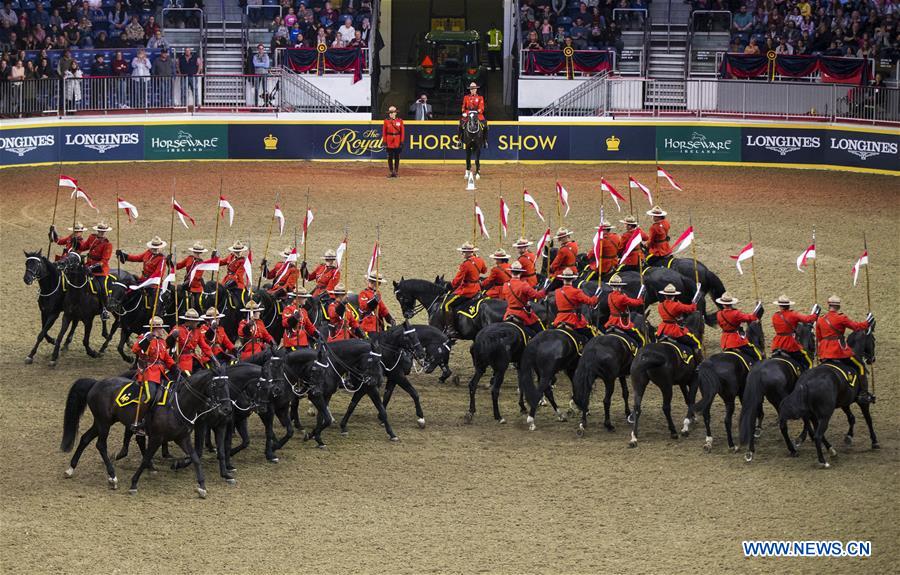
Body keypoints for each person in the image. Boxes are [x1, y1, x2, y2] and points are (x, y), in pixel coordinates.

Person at [816, 295, 873, 395]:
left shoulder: (820, 319)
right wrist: (868, 322)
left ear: (828, 306)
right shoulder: (841, 318)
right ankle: (863, 393)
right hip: (838, 351)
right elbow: (856, 327)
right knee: (860, 366)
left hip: (824, 352)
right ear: (838, 307)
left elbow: (819, 337)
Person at [130, 315, 176, 435]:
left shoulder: (161, 342)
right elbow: (135, 349)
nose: (162, 330)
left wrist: (174, 367)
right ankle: (139, 422)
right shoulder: (144, 338)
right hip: (148, 372)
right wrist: (146, 340)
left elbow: (166, 357)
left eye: (162, 328)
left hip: (161, 373)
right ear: (154, 329)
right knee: (150, 396)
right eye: (160, 328)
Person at [443, 242, 482, 336]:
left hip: (468, 291)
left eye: (464, 252)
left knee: (446, 305)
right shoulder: (479, 260)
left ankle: (450, 329)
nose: (462, 254)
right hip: (477, 288)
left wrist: (449, 286)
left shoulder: (465, 265)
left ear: (469, 252)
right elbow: (484, 270)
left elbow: (457, 280)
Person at [770, 294, 817, 369]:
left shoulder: (775, 316)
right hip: (789, 343)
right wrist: (815, 314)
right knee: (807, 361)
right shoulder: (793, 314)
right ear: (789, 305)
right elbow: (808, 319)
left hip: (777, 344)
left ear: (779, 305)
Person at [78, 221, 114, 319]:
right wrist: (76, 241)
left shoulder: (108, 244)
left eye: (103, 231)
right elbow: (83, 247)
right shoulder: (91, 237)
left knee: (102, 288)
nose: (101, 233)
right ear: (97, 230)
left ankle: (104, 309)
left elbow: (105, 260)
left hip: (100, 270)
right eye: (100, 231)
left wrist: (93, 267)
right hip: (88, 265)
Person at [552, 268, 599, 341]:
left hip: (559, 318)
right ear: (573, 279)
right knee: (591, 336)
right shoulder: (576, 292)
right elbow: (590, 302)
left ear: (562, 279)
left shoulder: (557, 291)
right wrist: (596, 296)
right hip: (572, 319)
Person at [502, 261, 546, 337]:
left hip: (509, 313)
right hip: (522, 314)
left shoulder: (506, 285)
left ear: (511, 272)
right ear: (521, 273)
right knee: (541, 330)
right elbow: (537, 296)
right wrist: (545, 290)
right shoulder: (524, 285)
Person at [656, 283, 700, 357]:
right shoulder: (677, 305)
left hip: (662, 329)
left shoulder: (660, 305)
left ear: (664, 295)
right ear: (674, 296)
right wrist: (694, 302)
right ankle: (697, 360)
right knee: (696, 343)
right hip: (673, 330)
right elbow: (691, 309)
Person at [715, 293, 761, 360]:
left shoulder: (719, 314)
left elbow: (720, 325)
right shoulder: (736, 313)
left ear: (722, 304)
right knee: (757, 355)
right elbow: (749, 318)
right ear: (731, 303)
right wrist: (756, 313)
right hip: (736, 341)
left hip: (725, 341)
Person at [169, 308, 214, 374]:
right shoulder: (178, 329)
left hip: (195, 359)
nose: (198, 323)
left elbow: (204, 346)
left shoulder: (197, 331)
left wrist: (213, 358)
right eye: (196, 321)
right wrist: (172, 336)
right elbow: (167, 344)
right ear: (190, 321)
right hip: (183, 361)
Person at [176, 242, 208, 311]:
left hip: (196, 286)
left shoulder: (201, 263)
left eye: (198, 253)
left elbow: (197, 277)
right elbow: (178, 266)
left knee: (197, 302)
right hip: (186, 284)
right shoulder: (189, 258)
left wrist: (189, 282)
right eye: (195, 252)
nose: (196, 254)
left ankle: (200, 314)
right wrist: (171, 262)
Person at [382, 105, 404, 178]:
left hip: (397, 140)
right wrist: (384, 142)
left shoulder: (400, 121)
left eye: (392, 112)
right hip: (389, 140)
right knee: (390, 157)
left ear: (395, 113)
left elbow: (402, 132)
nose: (391, 114)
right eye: (390, 112)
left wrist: (401, 141)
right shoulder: (386, 121)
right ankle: (391, 171)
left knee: (397, 157)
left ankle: (396, 171)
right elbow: (384, 132)